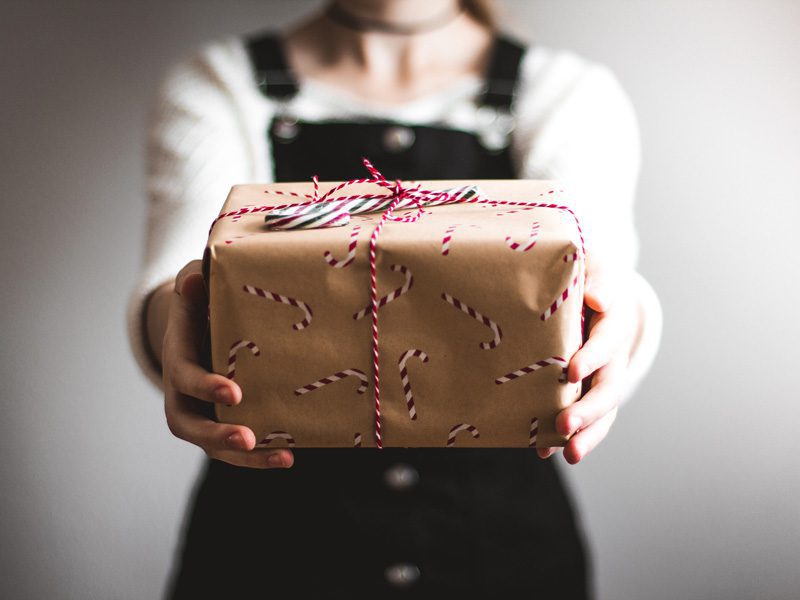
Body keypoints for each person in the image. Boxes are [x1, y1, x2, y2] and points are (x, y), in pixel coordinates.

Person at [128, 1, 662, 597]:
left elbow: (601, 270)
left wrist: (624, 320)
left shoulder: (565, 91)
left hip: (501, 558)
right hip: (266, 560)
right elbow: (180, 274)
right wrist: (174, 327)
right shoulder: (220, 83)